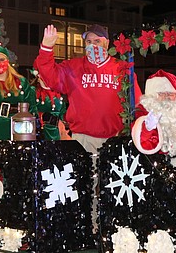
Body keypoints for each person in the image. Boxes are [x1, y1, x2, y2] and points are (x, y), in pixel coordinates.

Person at [35, 24, 142, 155]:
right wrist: (46, 48)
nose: (93, 45)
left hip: (115, 138)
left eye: (97, 41)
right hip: (83, 139)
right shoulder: (73, 67)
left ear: (107, 43)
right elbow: (50, 76)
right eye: (89, 42)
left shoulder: (122, 68)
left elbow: (136, 102)